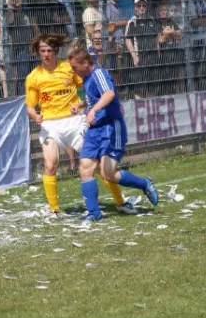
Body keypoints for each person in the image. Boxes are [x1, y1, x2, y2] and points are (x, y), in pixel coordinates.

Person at [68, 47, 159, 222]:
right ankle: (94, 213)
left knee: (107, 173)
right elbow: (94, 98)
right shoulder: (86, 78)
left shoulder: (99, 74)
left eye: (74, 67)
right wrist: (81, 105)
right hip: (94, 130)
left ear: (85, 63)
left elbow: (109, 94)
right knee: (85, 167)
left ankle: (144, 184)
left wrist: (93, 109)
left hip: (111, 127)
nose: (73, 71)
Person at [24, 34, 88, 216]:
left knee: (93, 161)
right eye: (42, 51)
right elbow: (29, 105)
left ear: (56, 51)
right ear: (38, 53)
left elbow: (86, 87)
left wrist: (82, 103)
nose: (46, 54)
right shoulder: (34, 77)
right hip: (50, 124)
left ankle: (116, 201)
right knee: (51, 164)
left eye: (49, 51)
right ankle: (54, 209)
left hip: (74, 121)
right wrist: (35, 115)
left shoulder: (69, 68)